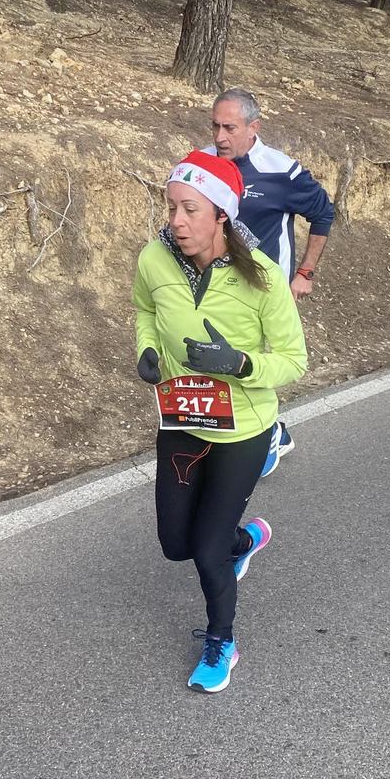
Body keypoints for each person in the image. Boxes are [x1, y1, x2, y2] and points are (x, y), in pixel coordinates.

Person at [134, 149, 307, 693]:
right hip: (182, 420)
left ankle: (221, 642)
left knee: (206, 554)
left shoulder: (261, 279)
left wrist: (239, 363)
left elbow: (294, 360)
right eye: (171, 208)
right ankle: (244, 540)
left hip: (242, 431)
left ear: (221, 217)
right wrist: (146, 350)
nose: (177, 222)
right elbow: (144, 309)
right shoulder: (154, 260)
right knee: (175, 545)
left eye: (190, 210)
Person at [205, 88, 335, 477]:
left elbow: (324, 214)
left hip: (267, 288)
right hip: (216, 284)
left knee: (257, 364)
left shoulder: (282, 171)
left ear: (253, 127)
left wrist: (305, 274)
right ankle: (257, 430)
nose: (219, 137)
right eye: (215, 126)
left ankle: (268, 437)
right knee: (221, 358)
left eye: (230, 127)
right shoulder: (202, 163)